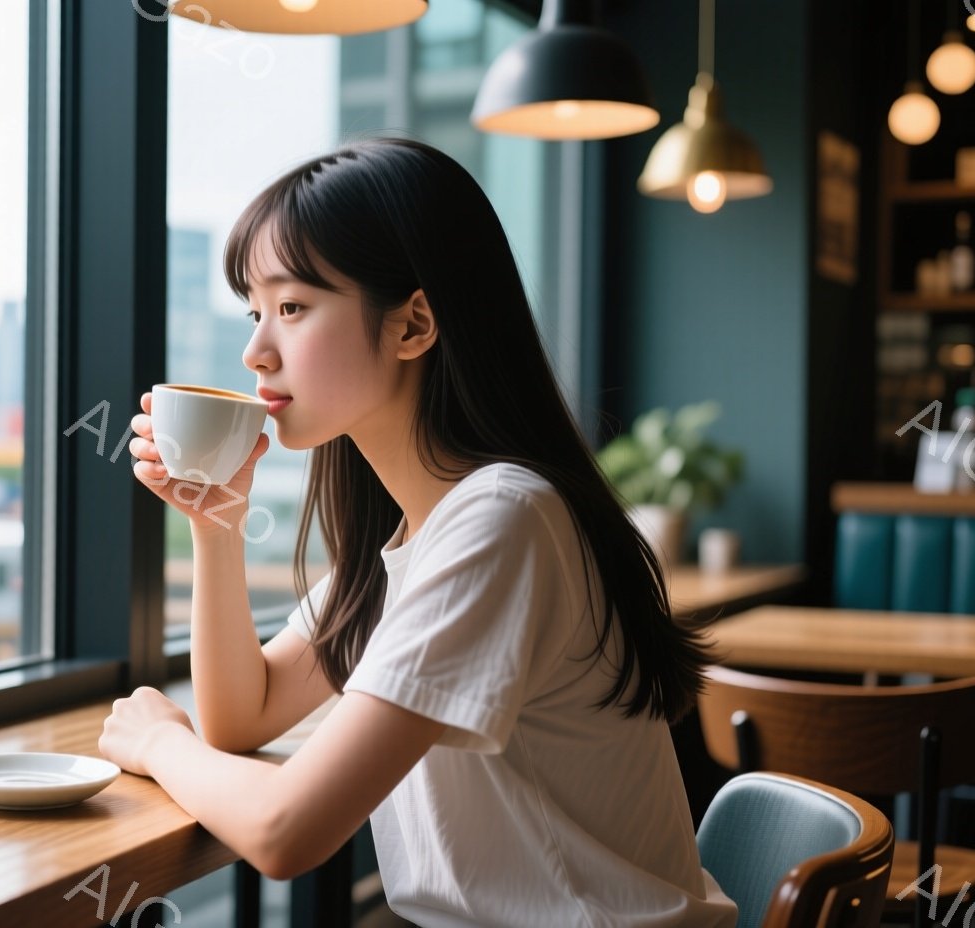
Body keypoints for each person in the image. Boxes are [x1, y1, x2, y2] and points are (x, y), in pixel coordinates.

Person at [97, 137, 737, 927]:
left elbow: (285, 832)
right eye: (254, 310)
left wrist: (159, 742)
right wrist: (217, 528)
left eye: (292, 307)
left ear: (414, 324)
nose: (255, 350)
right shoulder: (426, 533)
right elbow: (243, 717)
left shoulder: (501, 519)